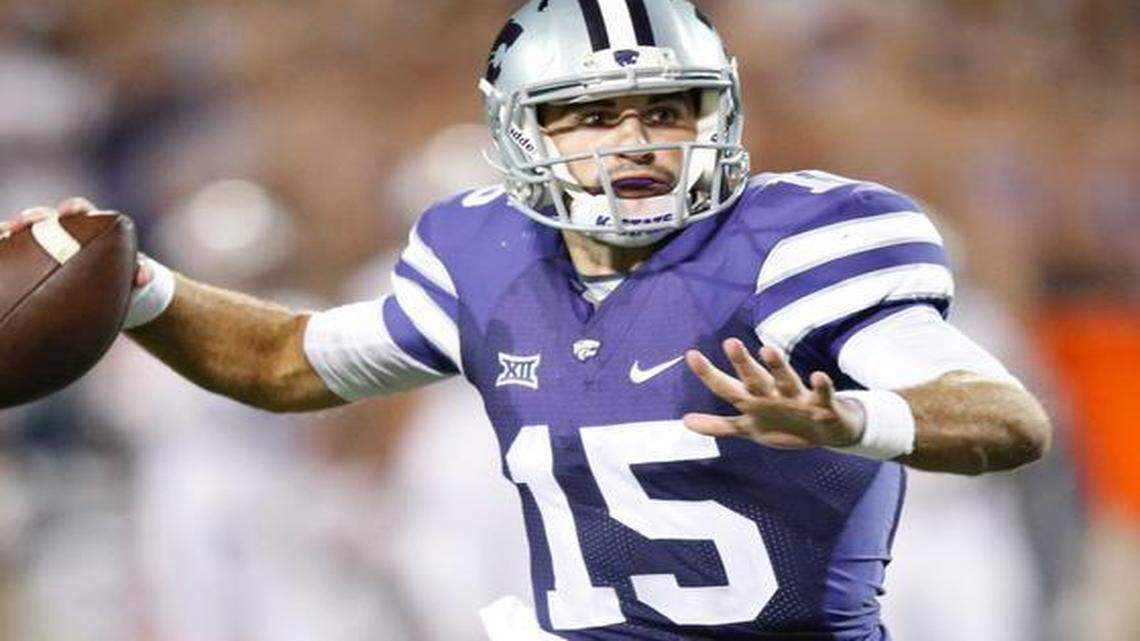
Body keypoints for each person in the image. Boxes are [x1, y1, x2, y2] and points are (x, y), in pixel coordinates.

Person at [3, 1, 1051, 639]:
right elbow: (288, 361)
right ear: (523, 135)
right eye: (591, 116)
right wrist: (141, 288)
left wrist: (854, 418)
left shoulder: (811, 242)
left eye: (668, 108)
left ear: (718, 116)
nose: (634, 139)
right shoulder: (481, 256)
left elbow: (1004, 417)